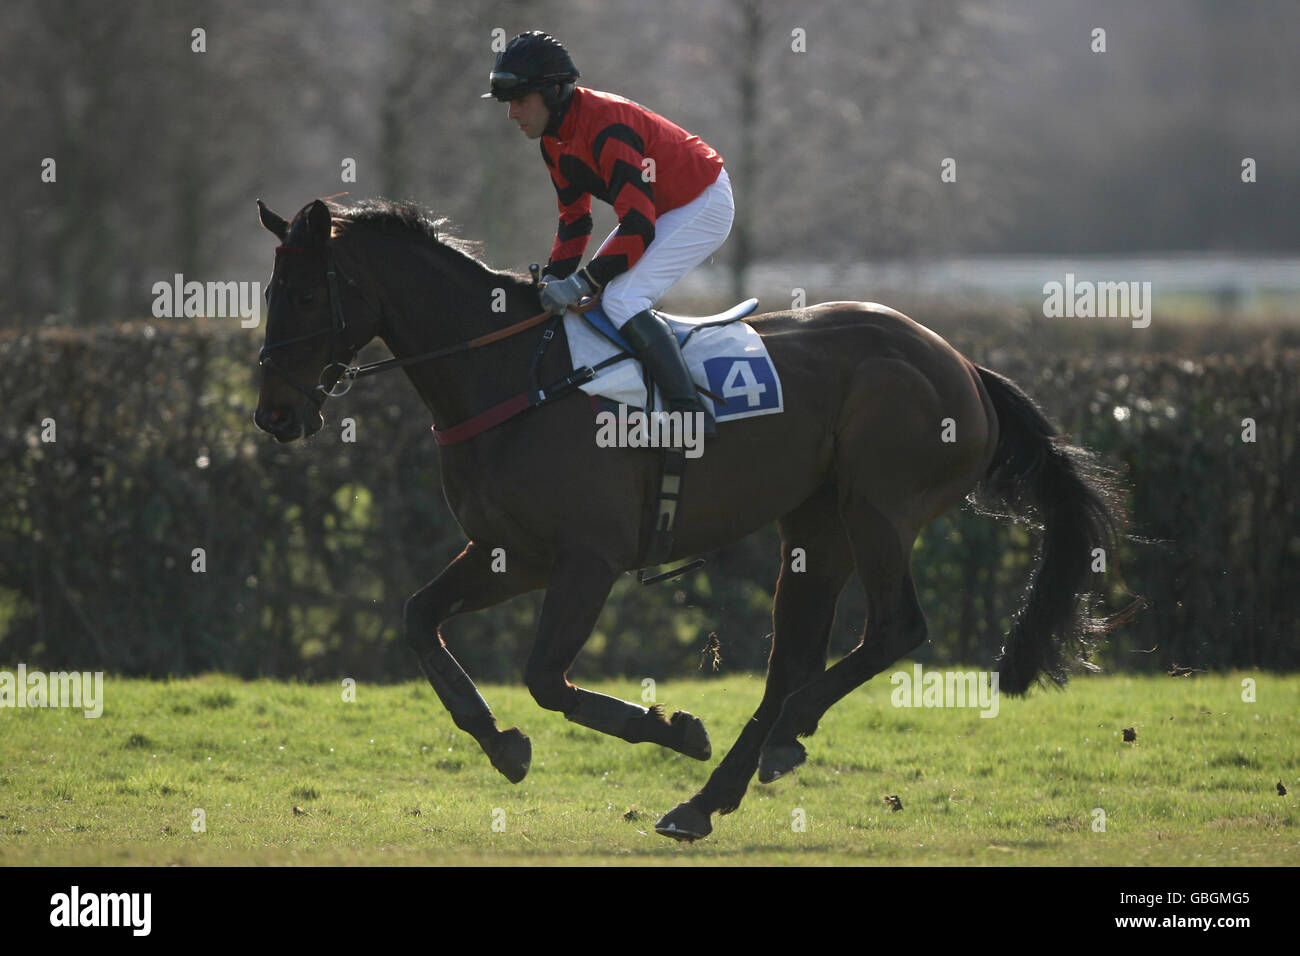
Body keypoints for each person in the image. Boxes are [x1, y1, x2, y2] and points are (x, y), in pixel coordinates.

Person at [483, 31, 734, 426]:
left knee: (620, 299)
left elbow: (638, 226)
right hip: (658, 209)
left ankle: (690, 414)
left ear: (553, 93)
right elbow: (575, 219)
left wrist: (582, 282)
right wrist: (554, 280)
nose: (512, 113)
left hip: (702, 201)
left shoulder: (606, 128)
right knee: (595, 301)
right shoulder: (553, 140)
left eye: (520, 100)